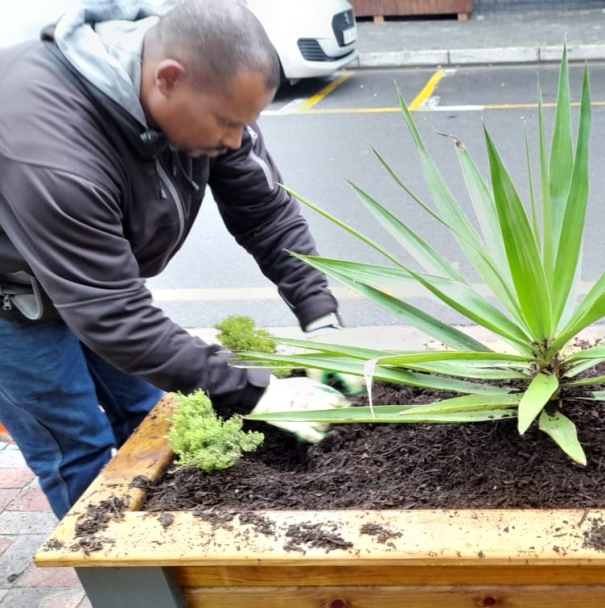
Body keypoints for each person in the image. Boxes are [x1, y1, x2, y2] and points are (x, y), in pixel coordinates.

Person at [0, 0, 350, 519]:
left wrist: (322, 319)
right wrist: (260, 393)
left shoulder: (204, 93)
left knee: (148, 416)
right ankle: (126, 592)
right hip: (13, 298)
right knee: (77, 447)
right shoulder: (49, 146)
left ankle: (164, 557)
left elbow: (265, 212)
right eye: (228, 124)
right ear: (168, 79)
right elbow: (114, 316)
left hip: (94, 278)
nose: (235, 140)